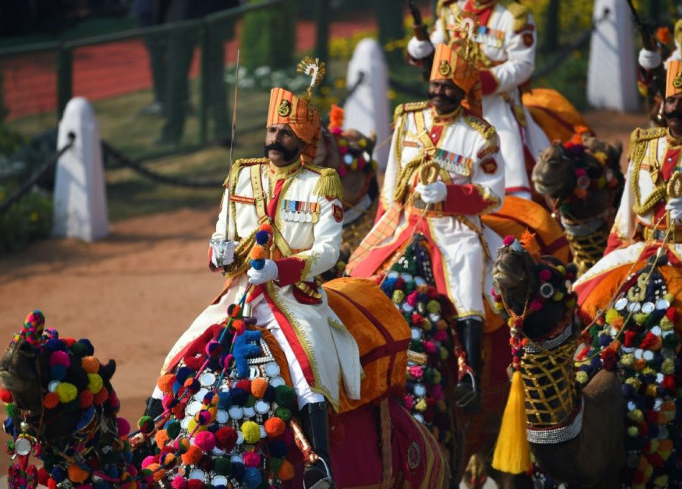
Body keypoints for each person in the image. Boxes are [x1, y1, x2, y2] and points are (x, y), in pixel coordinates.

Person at [152, 59, 361, 489]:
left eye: (285, 133)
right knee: (181, 349)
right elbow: (221, 238)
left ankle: (319, 463)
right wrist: (218, 252)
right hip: (240, 293)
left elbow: (327, 251)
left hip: (293, 296)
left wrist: (281, 268)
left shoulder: (320, 183)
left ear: (302, 138)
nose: (275, 139)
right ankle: (147, 437)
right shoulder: (242, 175)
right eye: (271, 131)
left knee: (309, 364)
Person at [346, 42, 505, 412]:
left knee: (467, 281)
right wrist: (385, 220)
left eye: (448, 87)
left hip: (454, 226)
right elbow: (391, 184)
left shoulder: (481, 135)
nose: (439, 92)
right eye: (435, 85)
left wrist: (448, 194)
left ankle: (471, 376)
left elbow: (492, 195)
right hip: (405, 220)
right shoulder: (408, 119)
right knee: (357, 270)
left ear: (463, 90)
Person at [406, 0, 549, 199]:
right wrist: (419, 48)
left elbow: (523, 65)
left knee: (508, 154)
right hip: (451, 104)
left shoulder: (514, 16)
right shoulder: (452, 9)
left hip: (497, 105)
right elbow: (435, 46)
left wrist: (477, 82)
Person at [574, 59, 682, 313]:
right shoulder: (645, 144)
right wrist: (610, 255)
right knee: (583, 298)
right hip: (643, 248)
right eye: (671, 101)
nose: (676, 108)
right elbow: (626, 213)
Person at [146, 0, 237, 145]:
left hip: (188, 19)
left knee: (179, 80)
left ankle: (174, 134)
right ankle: (222, 132)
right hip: (208, 18)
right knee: (209, 79)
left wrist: (159, 26)